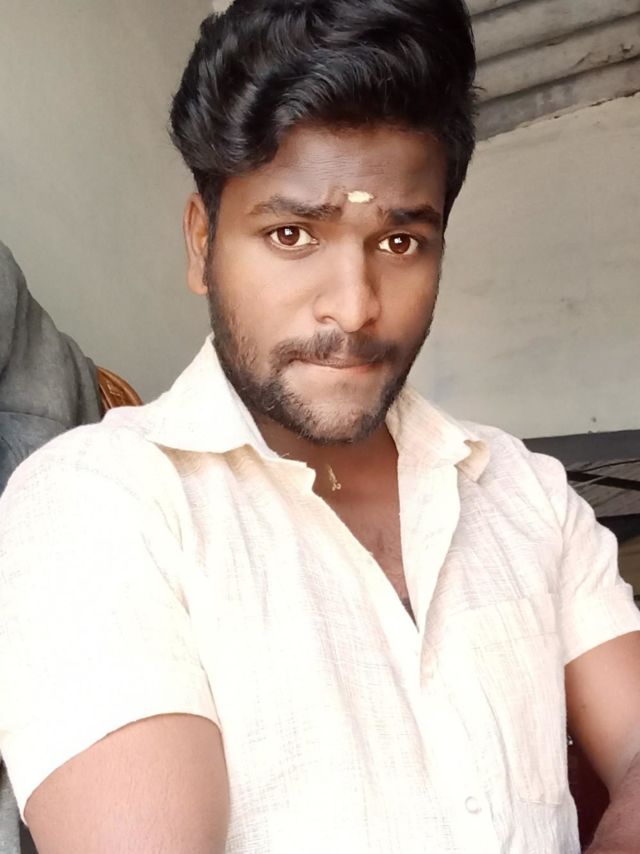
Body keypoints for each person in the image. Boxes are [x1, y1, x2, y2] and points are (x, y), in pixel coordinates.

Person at [0, 1, 639, 852]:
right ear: (201, 243)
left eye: (401, 242)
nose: (355, 306)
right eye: (292, 233)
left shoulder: (527, 491)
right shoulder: (97, 505)